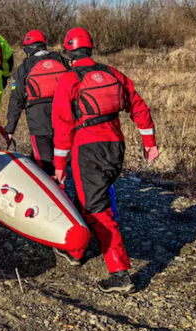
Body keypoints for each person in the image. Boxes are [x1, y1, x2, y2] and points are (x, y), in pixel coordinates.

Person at [51, 28, 160, 294]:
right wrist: (149, 143)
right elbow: (138, 106)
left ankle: (119, 272)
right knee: (92, 199)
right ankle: (76, 250)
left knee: (96, 207)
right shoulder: (112, 73)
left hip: (88, 148)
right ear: (90, 50)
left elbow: (62, 124)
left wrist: (59, 165)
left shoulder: (69, 79)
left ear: (68, 53)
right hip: (115, 144)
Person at [5, 30, 70, 176]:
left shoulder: (25, 67)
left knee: (45, 165)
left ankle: (53, 191)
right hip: (64, 118)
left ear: (28, 48)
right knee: (60, 157)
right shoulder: (61, 60)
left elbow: (17, 99)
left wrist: (10, 130)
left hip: (38, 121)